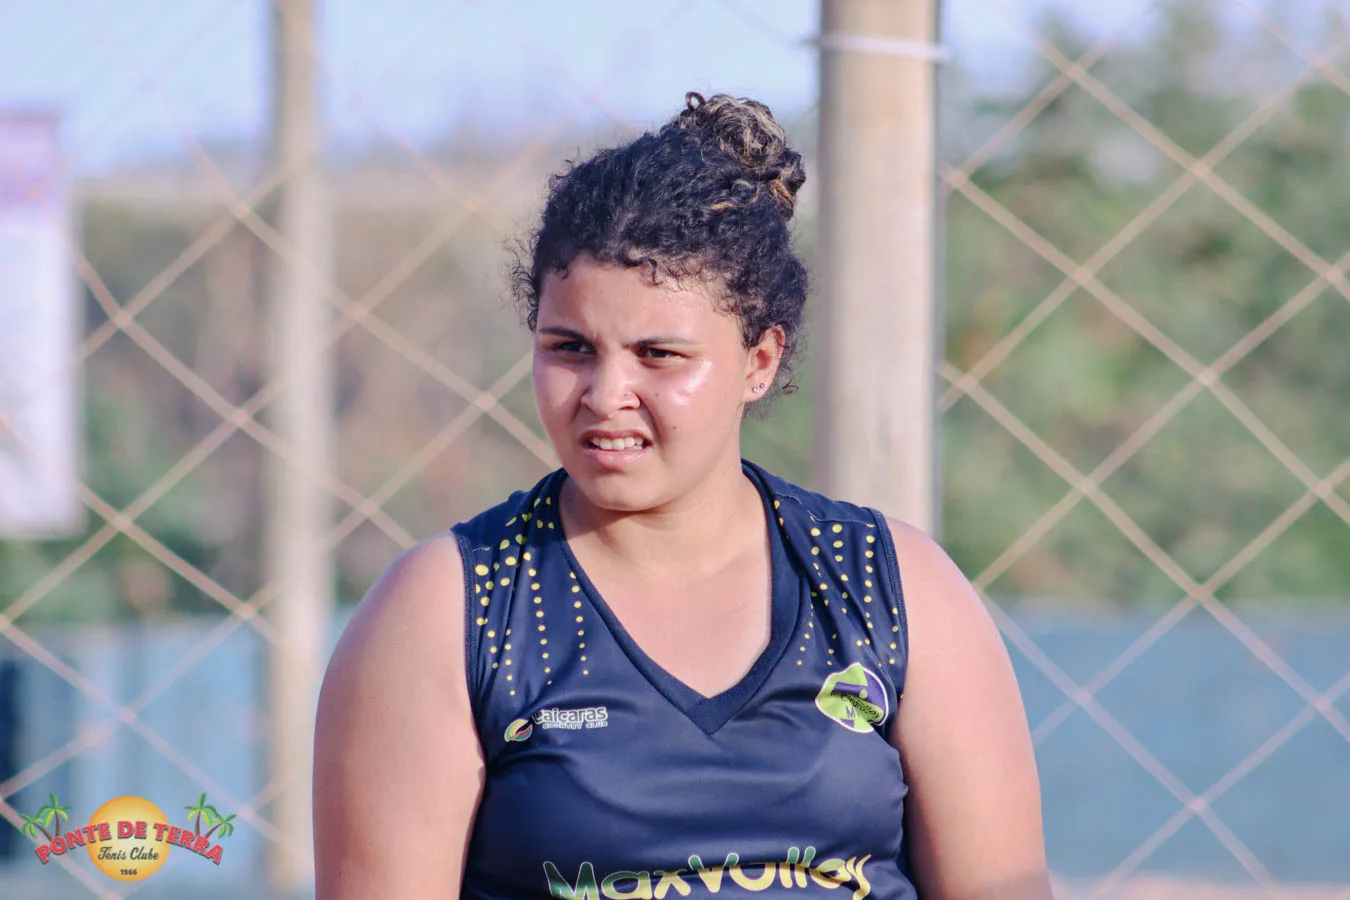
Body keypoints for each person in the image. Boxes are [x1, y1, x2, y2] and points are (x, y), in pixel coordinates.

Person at [313, 92, 1051, 900]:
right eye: (570, 348)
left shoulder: (890, 587)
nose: (606, 395)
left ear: (759, 362)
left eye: (659, 355)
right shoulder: (454, 608)